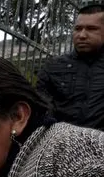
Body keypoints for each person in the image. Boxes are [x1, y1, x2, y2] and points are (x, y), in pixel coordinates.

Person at [36, 1, 104, 130]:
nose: (82, 35)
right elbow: (40, 106)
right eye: (78, 29)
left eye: (91, 29)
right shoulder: (53, 67)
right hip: (60, 142)